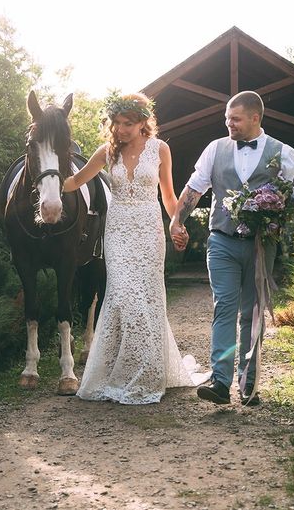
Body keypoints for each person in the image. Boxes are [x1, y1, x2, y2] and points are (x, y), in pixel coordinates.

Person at [63, 92, 205, 404]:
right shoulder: (106, 152)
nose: (121, 129)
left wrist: (178, 223)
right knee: (122, 293)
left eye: (128, 123)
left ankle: (148, 371)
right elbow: (74, 182)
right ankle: (123, 369)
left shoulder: (160, 149)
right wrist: (47, 174)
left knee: (148, 297)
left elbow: (168, 196)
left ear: (144, 122)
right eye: (116, 122)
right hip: (117, 231)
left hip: (149, 230)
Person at [169, 91, 294, 406]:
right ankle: (219, 381)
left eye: (235, 118)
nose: (228, 123)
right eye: (227, 118)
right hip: (222, 240)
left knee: (252, 312)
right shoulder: (215, 149)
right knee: (224, 307)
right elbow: (195, 187)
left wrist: (276, 215)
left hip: (261, 245)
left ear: (255, 118)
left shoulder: (283, 152)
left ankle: (248, 383)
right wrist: (177, 220)